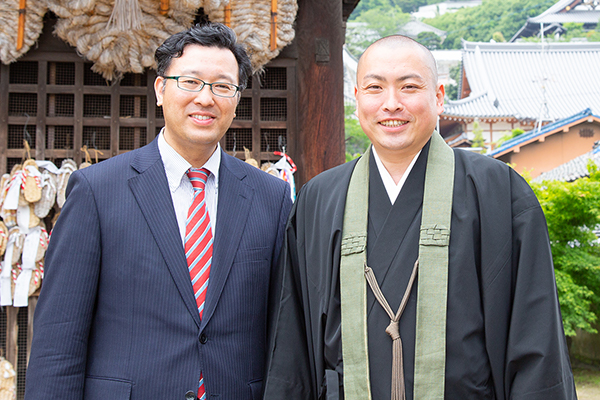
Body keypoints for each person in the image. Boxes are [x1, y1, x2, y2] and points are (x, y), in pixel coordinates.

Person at [263, 35, 576, 399]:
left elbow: (535, 338)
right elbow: (292, 344)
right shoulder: (320, 198)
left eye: (409, 87)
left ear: (439, 96)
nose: (391, 104)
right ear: (357, 97)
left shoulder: (496, 191)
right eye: (375, 88)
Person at [25, 23, 292, 400]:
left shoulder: (272, 197)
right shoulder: (98, 191)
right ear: (160, 90)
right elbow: (59, 337)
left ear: (236, 98)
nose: (206, 98)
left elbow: (283, 331)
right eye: (191, 82)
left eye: (222, 86)